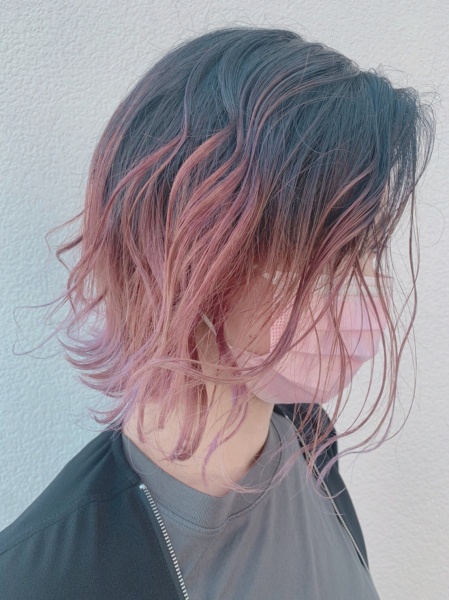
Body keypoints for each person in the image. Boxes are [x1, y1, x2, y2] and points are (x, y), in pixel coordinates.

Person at [0, 25, 435, 599]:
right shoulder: (40, 577)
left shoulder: (310, 440)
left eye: (368, 247)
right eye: (319, 248)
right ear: (181, 249)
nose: (360, 287)